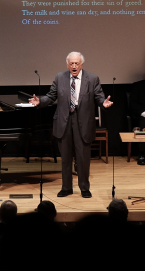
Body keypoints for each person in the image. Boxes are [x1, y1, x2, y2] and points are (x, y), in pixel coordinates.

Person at [30, 51, 113, 198]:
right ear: (67, 65)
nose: (74, 66)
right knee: (66, 158)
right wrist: (40, 101)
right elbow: (51, 96)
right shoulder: (60, 77)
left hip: (83, 123)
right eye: (71, 63)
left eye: (77, 63)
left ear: (82, 64)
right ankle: (66, 188)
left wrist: (103, 103)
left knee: (83, 158)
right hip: (64, 122)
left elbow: (99, 97)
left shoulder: (92, 78)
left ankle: (84, 188)